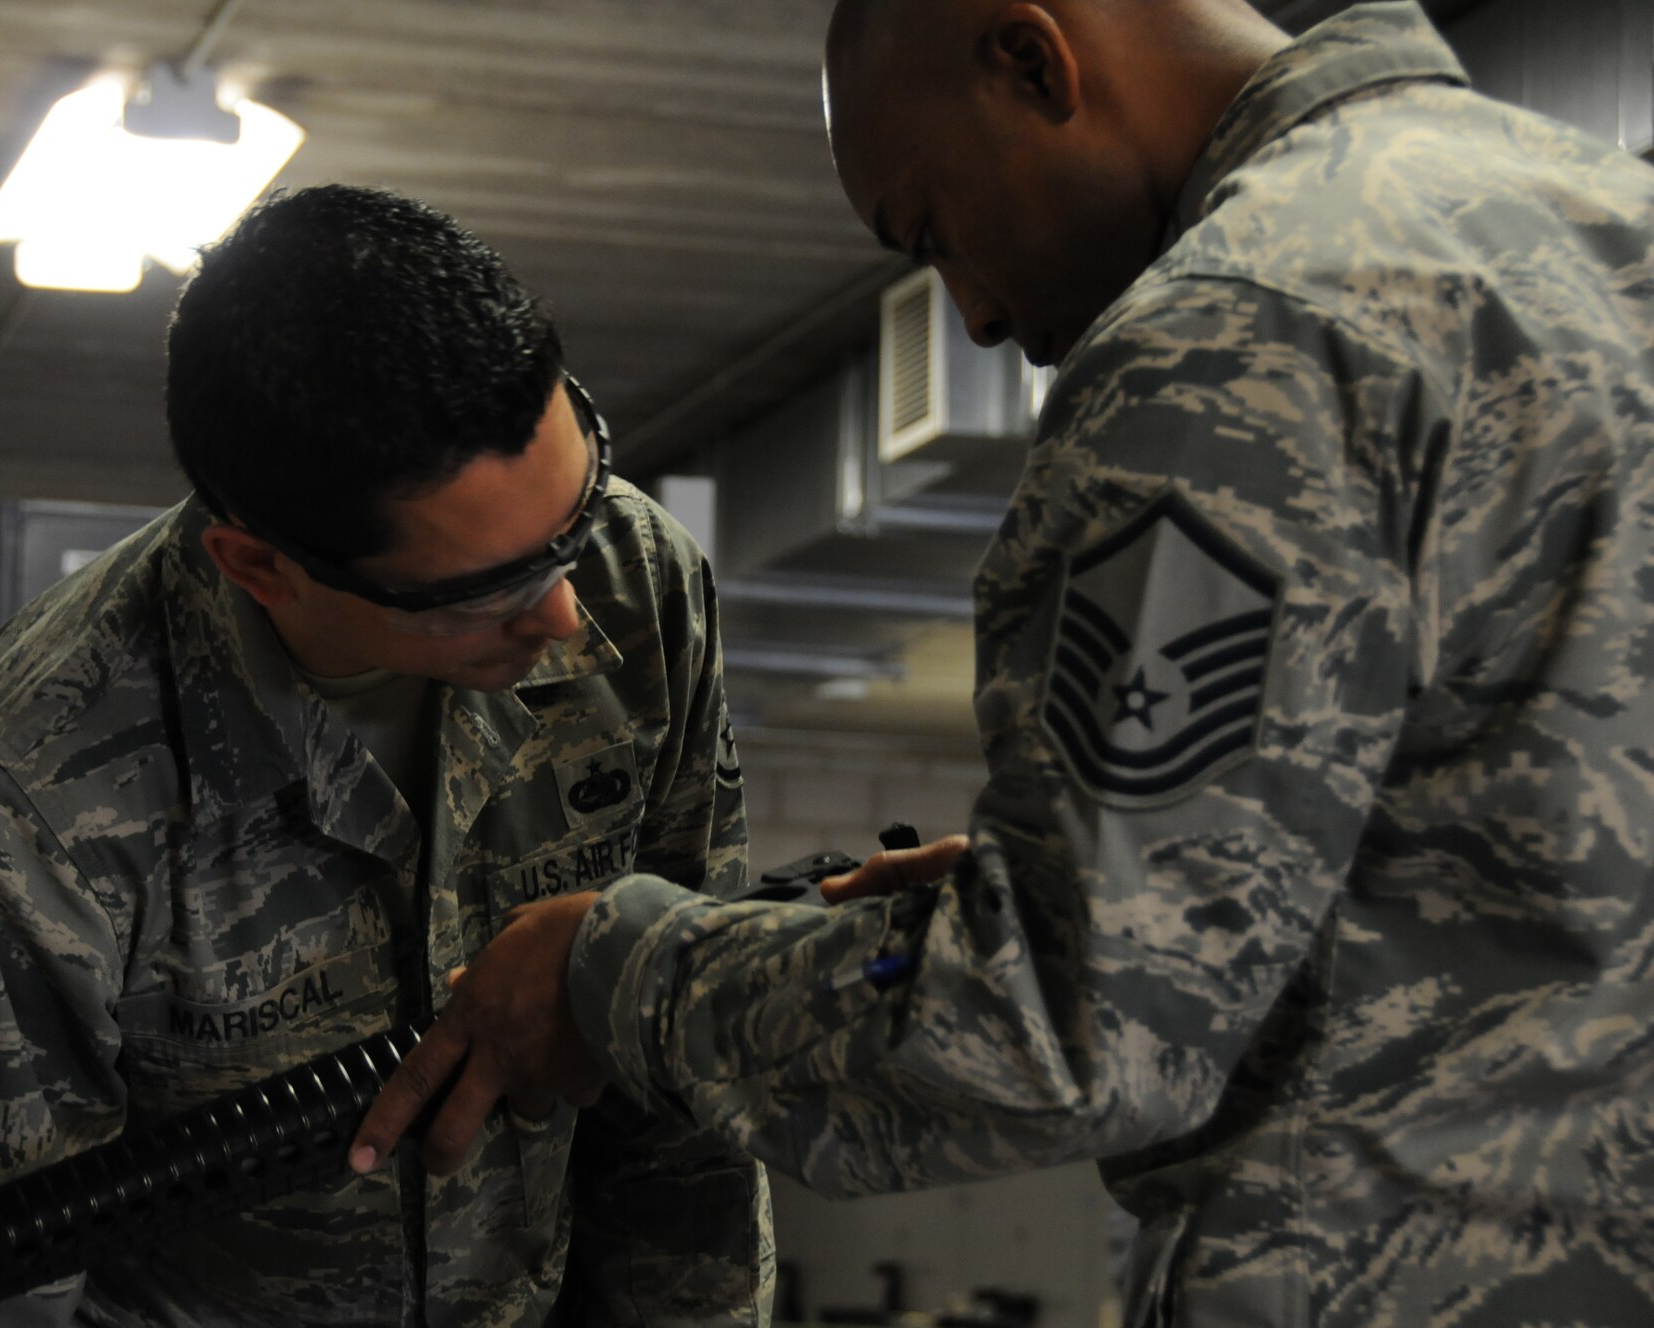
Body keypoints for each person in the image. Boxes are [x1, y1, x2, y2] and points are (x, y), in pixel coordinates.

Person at [351, 1, 1654, 1323]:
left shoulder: (1234, 333)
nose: (970, 315)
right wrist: (1069, 872)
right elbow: (1526, 859)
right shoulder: (1609, 220)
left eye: (936, 231)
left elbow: (1064, 1033)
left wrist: (615, 973)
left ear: (1031, 59)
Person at [0, 185, 773, 1326]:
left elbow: (676, 1103)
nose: (560, 613)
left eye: (578, 508)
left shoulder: (636, 580)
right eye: (483, 589)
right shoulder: (36, 782)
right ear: (261, 566)